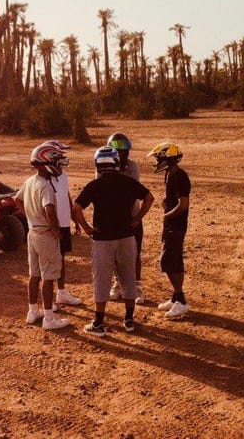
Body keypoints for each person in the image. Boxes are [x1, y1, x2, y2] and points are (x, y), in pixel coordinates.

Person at [73, 146, 154, 336]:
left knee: (102, 279)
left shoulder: (94, 185)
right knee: (128, 278)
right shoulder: (127, 182)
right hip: (127, 236)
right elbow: (149, 198)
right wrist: (137, 219)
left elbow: (77, 208)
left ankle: (99, 322)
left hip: (103, 239)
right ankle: (129, 320)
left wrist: (86, 228)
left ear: (97, 164)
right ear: (116, 162)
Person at [14, 144, 70, 331]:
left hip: (33, 232)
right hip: (45, 234)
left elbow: (17, 199)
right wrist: (55, 229)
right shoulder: (46, 186)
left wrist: (30, 216)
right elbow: (49, 210)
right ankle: (49, 317)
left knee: (34, 274)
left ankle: (32, 312)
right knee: (48, 276)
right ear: (47, 164)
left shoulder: (30, 181)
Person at [147, 142, 191, 319]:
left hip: (176, 226)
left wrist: (167, 215)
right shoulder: (171, 175)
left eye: (159, 158)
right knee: (173, 261)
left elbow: (183, 204)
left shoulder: (180, 177)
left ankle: (181, 301)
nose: (157, 161)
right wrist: (166, 205)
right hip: (172, 225)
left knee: (169, 262)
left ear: (169, 158)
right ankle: (175, 298)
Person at [38, 139, 82, 308]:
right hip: (51, 226)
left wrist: (74, 218)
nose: (64, 158)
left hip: (63, 224)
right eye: (60, 155)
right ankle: (47, 302)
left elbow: (66, 196)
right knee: (49, 263)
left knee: (61, 259)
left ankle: (61, 293)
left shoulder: (63, 176)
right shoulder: (44, 179)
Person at [103, 132, 145, 304]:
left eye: (123, 150)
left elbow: (132, 191)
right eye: (116, 151)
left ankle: (136, 286)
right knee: (114, 254)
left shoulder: (132, 166)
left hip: (132, 216)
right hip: (112, 218)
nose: (120, 154)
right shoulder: (103, 166)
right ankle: (117, 283)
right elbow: (101, 189)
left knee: (134, 253)